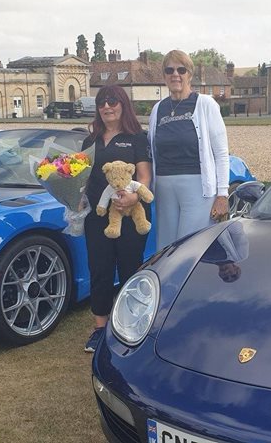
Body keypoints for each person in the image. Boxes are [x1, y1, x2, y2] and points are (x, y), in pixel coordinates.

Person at [81, 85, 151, 353]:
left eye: (112, 101)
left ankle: (131, 325)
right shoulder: (91, 140)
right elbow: (81, 177)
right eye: (102, 102)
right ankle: (100, 328)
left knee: (130, 269)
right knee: (99, 269)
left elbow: (144, 175)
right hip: (98, 216)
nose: (107, 106)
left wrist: (135, 198)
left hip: (131, 215)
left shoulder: (136, 137)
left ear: (123, 104)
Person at [148, 49, 230, 248]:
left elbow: (221, 153)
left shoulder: (205, 104)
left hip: (197, 187)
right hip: (164, 187)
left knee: (190, 247)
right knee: (165, 248)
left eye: (181, 70)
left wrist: (222, 194)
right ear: (164, 76)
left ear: (189, 75)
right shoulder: (158, 109)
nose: (175, 74)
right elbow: (152, 152)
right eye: (169, 70)